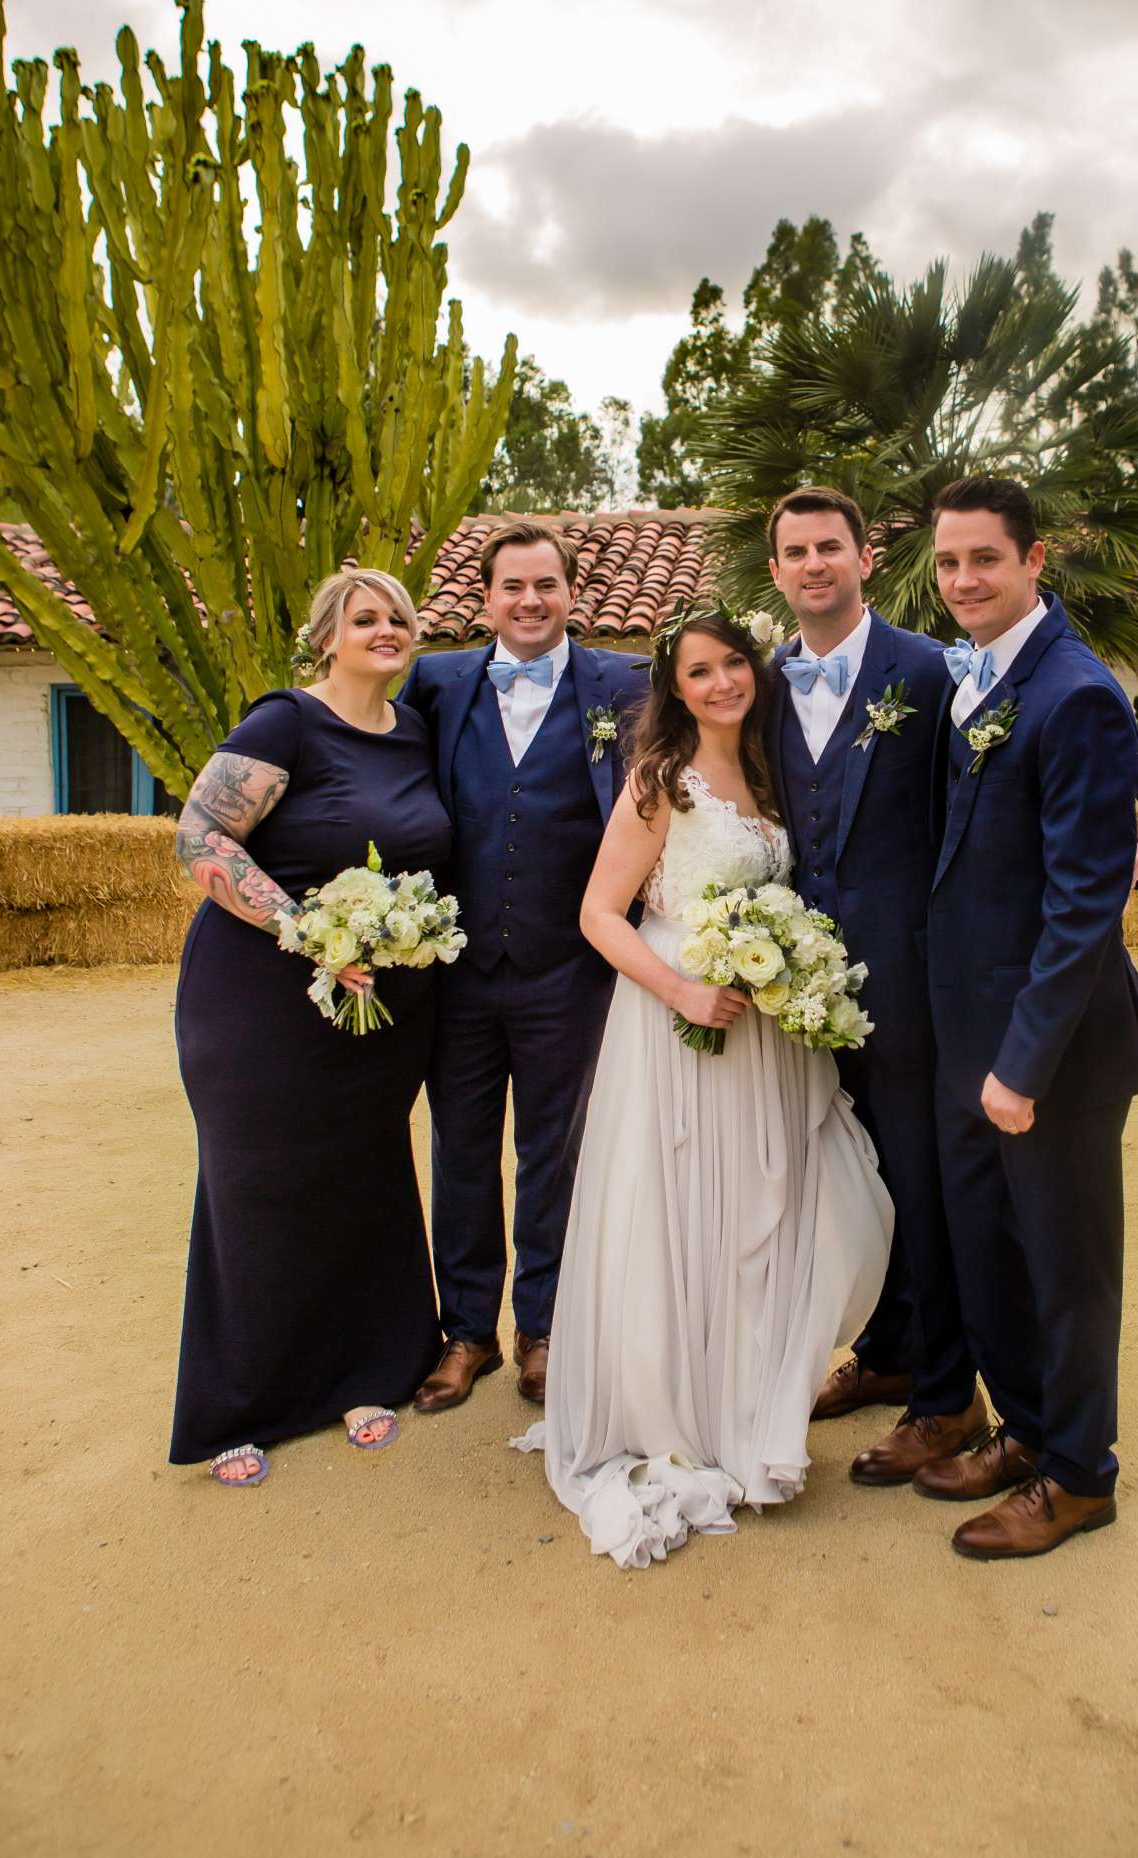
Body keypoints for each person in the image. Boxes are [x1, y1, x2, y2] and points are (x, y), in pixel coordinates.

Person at [515, 609, 893, 1568]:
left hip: (768, 1030)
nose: (722, 681)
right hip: (680, 1021)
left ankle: (750, 1397)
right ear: (672, 686)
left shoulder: (771, 776)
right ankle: (687, 1411)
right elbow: (600, 914)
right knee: (686, 1208)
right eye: (699, 670)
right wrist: (684, 985)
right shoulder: (658, 783)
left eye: (734, 663)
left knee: (775, 1207)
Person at [919, 476, 1138, 1559]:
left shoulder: (1077, 695)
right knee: (990, 1255)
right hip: (966, 1033)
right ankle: (1023, 1431)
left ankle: (1078, 1475)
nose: (964, 579)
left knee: (1065, 1267)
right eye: (950, 561)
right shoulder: (972, 683)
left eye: (985, 560)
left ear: (1034, 562)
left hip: (1050, 1050)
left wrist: (1018, 1068)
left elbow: (1083, 907)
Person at [170, 569, 449, 1486]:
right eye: (365, 618)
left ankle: (369, 1374)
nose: (387, 630)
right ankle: (242, 1407)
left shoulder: (414, 735)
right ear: (327, 636)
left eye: (400, 618)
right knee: (258, 1189)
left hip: (379, 1010)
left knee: (362, 1181)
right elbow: (198, 837)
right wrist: (302, 929)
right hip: (257, 997)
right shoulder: (285, 722)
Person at [397, 521, 648, 1415]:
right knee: (461, 1150)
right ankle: (467, 1332)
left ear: (572, 593)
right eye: (513, 587)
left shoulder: (625, 681)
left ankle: (543, 1328)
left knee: (556, 1156)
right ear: (487, 597)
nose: (531, 601)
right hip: (457, 970)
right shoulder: (435, 683)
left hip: (569, 970)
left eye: (547, 585)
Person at [765, 488, 985, 1485]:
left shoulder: (930, 673)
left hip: (905, 982)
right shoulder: (759, 685)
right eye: (795, 551)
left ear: (864, 558)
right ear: (775, 571)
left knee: (922, 1185)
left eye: (829, 548)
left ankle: (948, 1398)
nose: (814, 564)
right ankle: (890, 1355)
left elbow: (975, 817)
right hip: (794, 995)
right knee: (850, 1182)